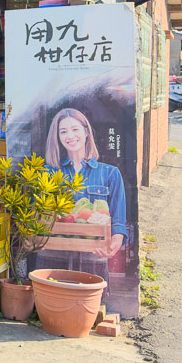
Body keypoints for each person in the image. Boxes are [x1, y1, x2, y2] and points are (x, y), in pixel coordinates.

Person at [44, 107, 128, 258]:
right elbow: (35, 215)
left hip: (94, 256)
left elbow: (118, 222)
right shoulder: (48, 172)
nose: (70, 136)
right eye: (63, 132)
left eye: (75, 129)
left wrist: (116, 239)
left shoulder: (110, 174)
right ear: (57, 137)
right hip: (53, 254)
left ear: (86, 132)